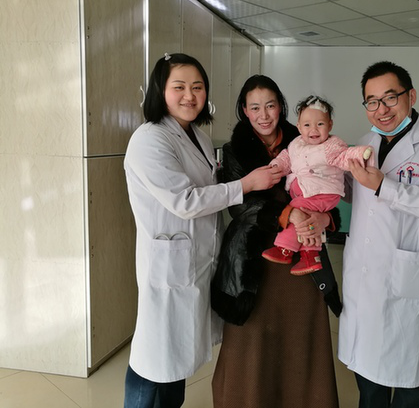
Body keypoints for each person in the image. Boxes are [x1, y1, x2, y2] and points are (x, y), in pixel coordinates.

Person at [123, 54, 281, 408]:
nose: (190, 96)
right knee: (152, 358)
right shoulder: (149, 139)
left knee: (175, 356)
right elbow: (185, 201)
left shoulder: (198, 136)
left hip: (195, 260)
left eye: (197, 87)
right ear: (160, 91)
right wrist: (246, 184)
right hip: (168, 265)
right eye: (179, 87)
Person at [211, 75, 341, 408]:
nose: (264, 115)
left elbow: (330, 191)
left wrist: (327, 219)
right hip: (254, 259)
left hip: (302, 260)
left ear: (281, 106)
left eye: (270, 105)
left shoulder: (308, 138)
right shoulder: (235, 150)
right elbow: (240, 206)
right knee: (252, 339)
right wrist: (287, 214)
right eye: (255, 107)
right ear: (244, 110)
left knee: (300, 335)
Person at [338, 61, 419, 408]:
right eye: (372, 101)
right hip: (365, 275)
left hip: (406, 278)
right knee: (368, 381)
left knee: (408, 384)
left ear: (411, 96)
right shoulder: (364, 143)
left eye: (390, 98)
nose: (382, 110)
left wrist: (383, 185)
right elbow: (357, 195)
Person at [262, 95, 374, 275]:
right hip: (308, 192)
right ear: (299, 127)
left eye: (320, 124)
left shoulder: (331, 146)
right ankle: (311, 257)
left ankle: (284, 249)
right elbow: (286, 158)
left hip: (323, 192)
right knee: (308, 219)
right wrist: (277, 166)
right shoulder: (296, 144)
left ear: (330, 125)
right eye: (307, 125)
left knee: (296, 209)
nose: (313, 129)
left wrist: (361, 154)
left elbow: (345, 156)